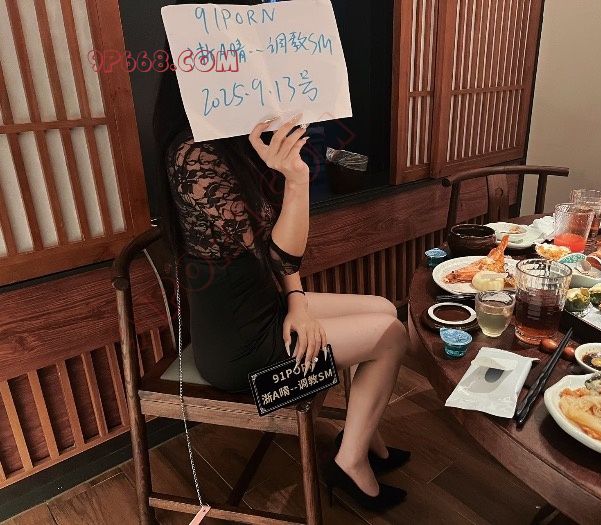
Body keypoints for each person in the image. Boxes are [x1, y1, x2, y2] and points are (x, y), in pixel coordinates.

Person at [152, 22, 409, 514]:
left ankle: (363, 436)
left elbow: (277, 258)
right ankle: (350, 461)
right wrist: (296, 180)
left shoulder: (235, 138)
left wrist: (298, 302)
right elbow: (279, 253)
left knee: (382, 308)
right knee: (391, 335)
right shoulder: (194, 153)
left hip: (265, 304)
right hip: (237, 343)